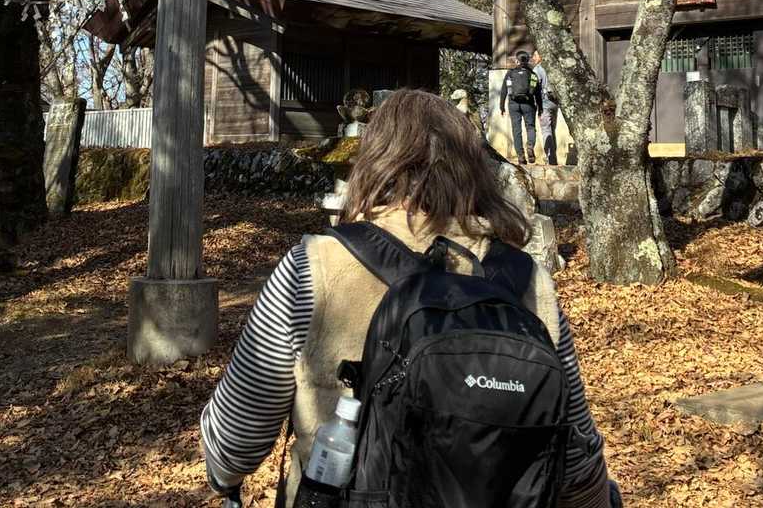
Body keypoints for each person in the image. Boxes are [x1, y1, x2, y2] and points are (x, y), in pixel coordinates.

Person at [200, 89, 617, 508]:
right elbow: (577, 460)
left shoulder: (314, 265)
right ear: (474, 170)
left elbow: (235, 439)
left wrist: (223, 477)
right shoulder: (528, 280)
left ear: (374, 164)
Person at [498, 50, 542, 164]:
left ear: (517, 61)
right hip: (529, 104)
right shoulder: (533, 75)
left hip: (513, 105)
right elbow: (537, 93)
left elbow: (504, 90)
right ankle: (530, 145)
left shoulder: (510, 73)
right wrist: (540, 108)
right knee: (530, 127)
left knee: (516, 130)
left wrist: (501, 107)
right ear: (527, 61)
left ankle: (521, 156)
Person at [530, 49, 559, 166]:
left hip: (544, 103)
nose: (533, 58)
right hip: (555, 103)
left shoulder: (537, 69)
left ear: (541, 56)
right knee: (552, 130)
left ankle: (550, 159)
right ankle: (553, 157)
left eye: (535, 55)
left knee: (546, 130)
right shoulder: (554, 67)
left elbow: (533, 86)